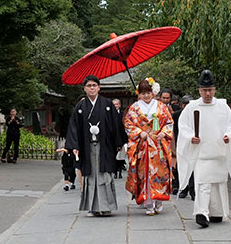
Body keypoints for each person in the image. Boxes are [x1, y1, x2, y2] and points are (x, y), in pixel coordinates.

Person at [177, 70, 231, 228]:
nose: (207, 93)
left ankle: (216, 212)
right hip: (202, 153)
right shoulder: (192, 107)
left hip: (219, 152)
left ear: (214, 90)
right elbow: (183, 126)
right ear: (199, 90)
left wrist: (229, 135)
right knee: (203, 183)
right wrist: (190, 137)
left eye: (210, 90)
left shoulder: (222, 106)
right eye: (204, 90)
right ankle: (201, 212)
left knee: (218, 184)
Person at [65, 75, 128, 217]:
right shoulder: (80, 106)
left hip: (105, 146)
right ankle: (91, 207)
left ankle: (106, 206)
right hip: (87, 147)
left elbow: (116, 124)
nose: (92, 88)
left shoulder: (107, 104)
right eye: (89, 86)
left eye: (94, 85)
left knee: (105, 175)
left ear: (99, 87)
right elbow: (73, 126)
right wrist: (74, 145)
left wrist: (118, 142)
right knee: (90, 176)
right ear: (84, 89)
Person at [124, 79, 174, 215]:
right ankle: (149, 203)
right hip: (143, 145)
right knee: (144, 173)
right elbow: (128, 124)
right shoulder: (134, 108)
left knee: (160, 172)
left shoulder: (161, 106)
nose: (146, 96)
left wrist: (163, 133)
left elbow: (169, 122)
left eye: (148, 93)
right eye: (143, 93)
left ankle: (159, 201)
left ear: (153, 93)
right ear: (139, 94)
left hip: (158, 144)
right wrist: (140, 133)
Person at [175, 94, 195, 199]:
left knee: (192, 168)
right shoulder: (177, 115)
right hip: (181, 144)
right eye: (186, 104)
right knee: (181, 167)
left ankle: (192, 190)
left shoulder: (196, 115)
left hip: (193, 145)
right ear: (182, 105)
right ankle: (182, 189)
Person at [111, 98, 126, 179]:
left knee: (121, 156)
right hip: (112, 139)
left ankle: (120, 171)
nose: (116, 106)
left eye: (117, 104)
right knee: (113, 156)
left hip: (122, 137)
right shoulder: (109, 114)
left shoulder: (123, 114)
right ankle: (115, 171)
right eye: (114, 104)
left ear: (119, 105)